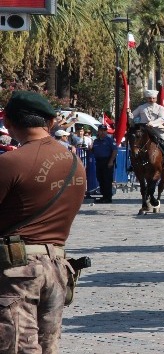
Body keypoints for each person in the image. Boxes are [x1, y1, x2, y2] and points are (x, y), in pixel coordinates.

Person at [0, 90, 86, 353]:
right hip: (58, 268)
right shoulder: (74, 162)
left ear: (9, 123)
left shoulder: (11, 161)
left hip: (19, 270)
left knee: (17, 348)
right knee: (48, 348)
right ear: (49, 123)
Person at [128, 89, 164, 170]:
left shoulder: (160, 108)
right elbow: (133, 116)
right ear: (147, 98)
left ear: (156, 99)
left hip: (156, 128)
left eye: (153, 98)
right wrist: (129, 114)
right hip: (143, 129)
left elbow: (162, 119)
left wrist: (153, 123)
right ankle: (133, 164)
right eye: (149, 98)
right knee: (134, 144)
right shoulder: (141, 107)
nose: (151, 100)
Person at [91, 124, 117, 203]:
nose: (102, 132)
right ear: (98, 131)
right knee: (100, 179)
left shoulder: (109, 140)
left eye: (104, 130)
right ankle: (103, 196)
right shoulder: (96, 141)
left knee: (107, 180)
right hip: (99, 161)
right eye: (101, 130)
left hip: (107, 161)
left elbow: (115, 151)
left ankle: (108, 197)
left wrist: (111, 161)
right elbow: (93, 150)